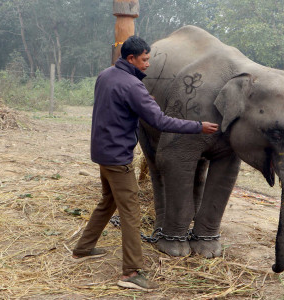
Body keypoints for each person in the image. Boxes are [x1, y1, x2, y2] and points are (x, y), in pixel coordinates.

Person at [72, 35, 218, 292]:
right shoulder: (132, 86)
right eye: (145, 59)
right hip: (118, 158)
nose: (148, 64)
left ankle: (83, 248)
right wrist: (198, 127)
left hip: (102, 153)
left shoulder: (106, 75)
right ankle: (131, 272)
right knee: (131, 214)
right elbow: (161, 121)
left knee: (108, 202)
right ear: (131, 58)